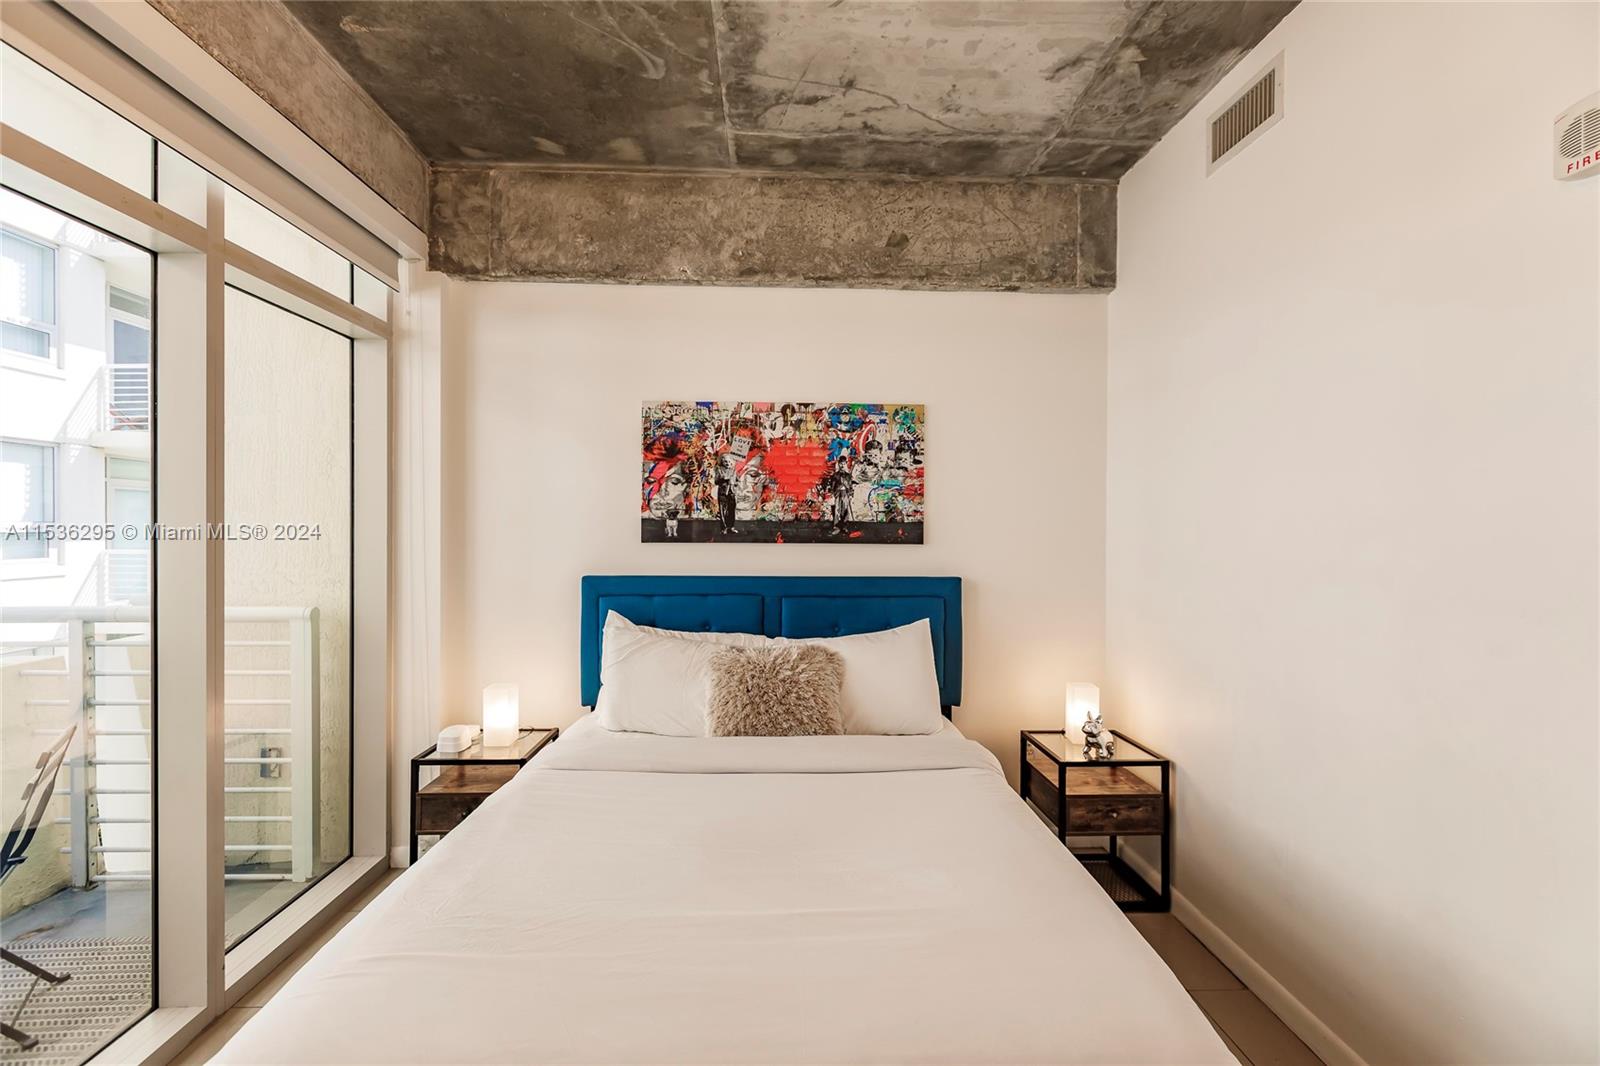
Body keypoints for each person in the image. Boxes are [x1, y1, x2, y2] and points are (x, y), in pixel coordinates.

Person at [714, 456, 740, 534]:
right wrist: (724, 479)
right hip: (723, 493)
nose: (728, 463)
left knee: (731, 510)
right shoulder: (719, 470)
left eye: (729, 461)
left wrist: (734, 483)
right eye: (725, 461)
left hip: (732, 492)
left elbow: (737, 481)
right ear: (722, 462)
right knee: (723, 511)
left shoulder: (734, 471)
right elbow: (716, 481)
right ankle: (724, 528)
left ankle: (731, 527)